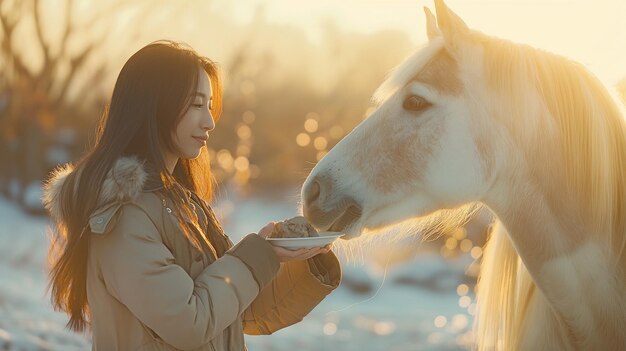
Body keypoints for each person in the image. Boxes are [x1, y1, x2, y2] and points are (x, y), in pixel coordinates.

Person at [42, 40, 341, 350]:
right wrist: (256, 257)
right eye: (197, 104)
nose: (210, 122)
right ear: (155, 105)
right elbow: (190, 323)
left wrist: (294, 257)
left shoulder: (184, 206)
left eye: (209, 106)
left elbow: (239, 312)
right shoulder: (123, 218)